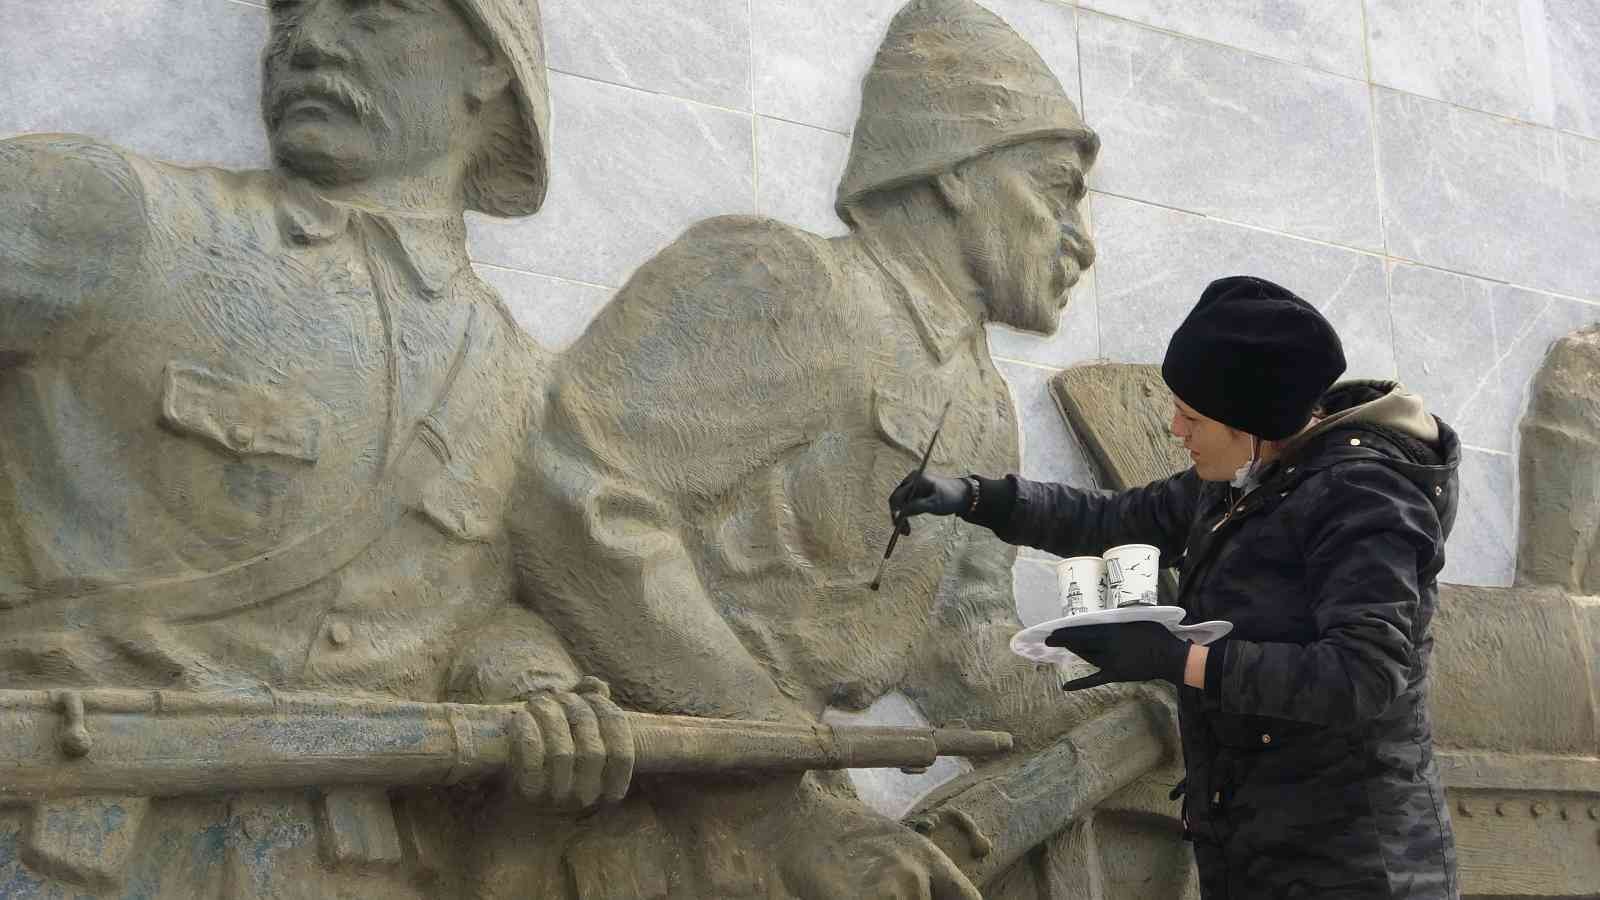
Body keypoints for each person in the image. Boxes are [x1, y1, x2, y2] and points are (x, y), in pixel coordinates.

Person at [0, 0, 638, 894]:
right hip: (61, 847)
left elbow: (474, 606)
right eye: (289, 14)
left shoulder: (521, 383)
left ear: (489, 64)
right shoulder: (113, 216)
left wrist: (539, 689)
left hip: (349, 868)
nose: (309, 43)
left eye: (369, 11)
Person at [891, 275, 1461, 899]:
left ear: (1253, 424)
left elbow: (1364, 677)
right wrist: (978, 496)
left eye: (1191, 416)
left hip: (1356, 862)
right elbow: (1115, 520)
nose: (1174, 430)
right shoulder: (1242, 479)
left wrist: (1180, 659)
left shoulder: (1364, 499)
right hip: (1252, 846)